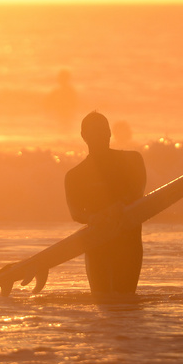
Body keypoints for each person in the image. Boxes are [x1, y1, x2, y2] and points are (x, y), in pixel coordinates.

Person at [64, 111, 147, 299]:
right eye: (94, 132)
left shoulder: (132, 160)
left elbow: (138, 190)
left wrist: (122, 204)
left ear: (110, 133)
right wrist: (92, 217)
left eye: (103, 131)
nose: (100, 136)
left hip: (129, 242)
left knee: (126, 302)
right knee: (101, 302)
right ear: (84, 136)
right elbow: (75, 213)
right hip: (97, 243)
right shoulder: (75, 175)